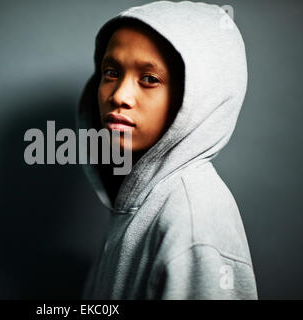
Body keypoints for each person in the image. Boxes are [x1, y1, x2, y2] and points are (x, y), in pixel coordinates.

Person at [77, 1, 258, 299]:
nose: (119, 95)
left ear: (195, 96)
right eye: (111, 72)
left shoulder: (193, 226)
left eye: (149, 79)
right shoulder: (137, 195)